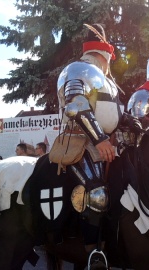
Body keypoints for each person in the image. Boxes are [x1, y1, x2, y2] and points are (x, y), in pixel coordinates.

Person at [55, 23, 141, 268]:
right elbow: (75, 105)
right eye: (109, 57)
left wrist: (135, 122)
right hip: (80, 143)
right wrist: (100, 139)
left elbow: (113, 113)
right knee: (97, 193)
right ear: (104, 54)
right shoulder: (79, 69)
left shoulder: (106, 80)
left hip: (107, 145)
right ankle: (94, 252)